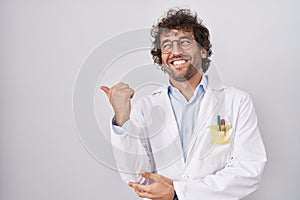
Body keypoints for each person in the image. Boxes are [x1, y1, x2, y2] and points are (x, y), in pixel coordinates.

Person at [101, 8, 267, 200]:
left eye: (185, 43)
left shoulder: (236, 102)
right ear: (161, 57)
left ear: (203, 51)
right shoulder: (145, 107)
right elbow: (137, 178)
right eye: (167, 46)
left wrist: (179, 192)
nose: (176, 52)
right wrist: (122, 118)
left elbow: (248, 170)